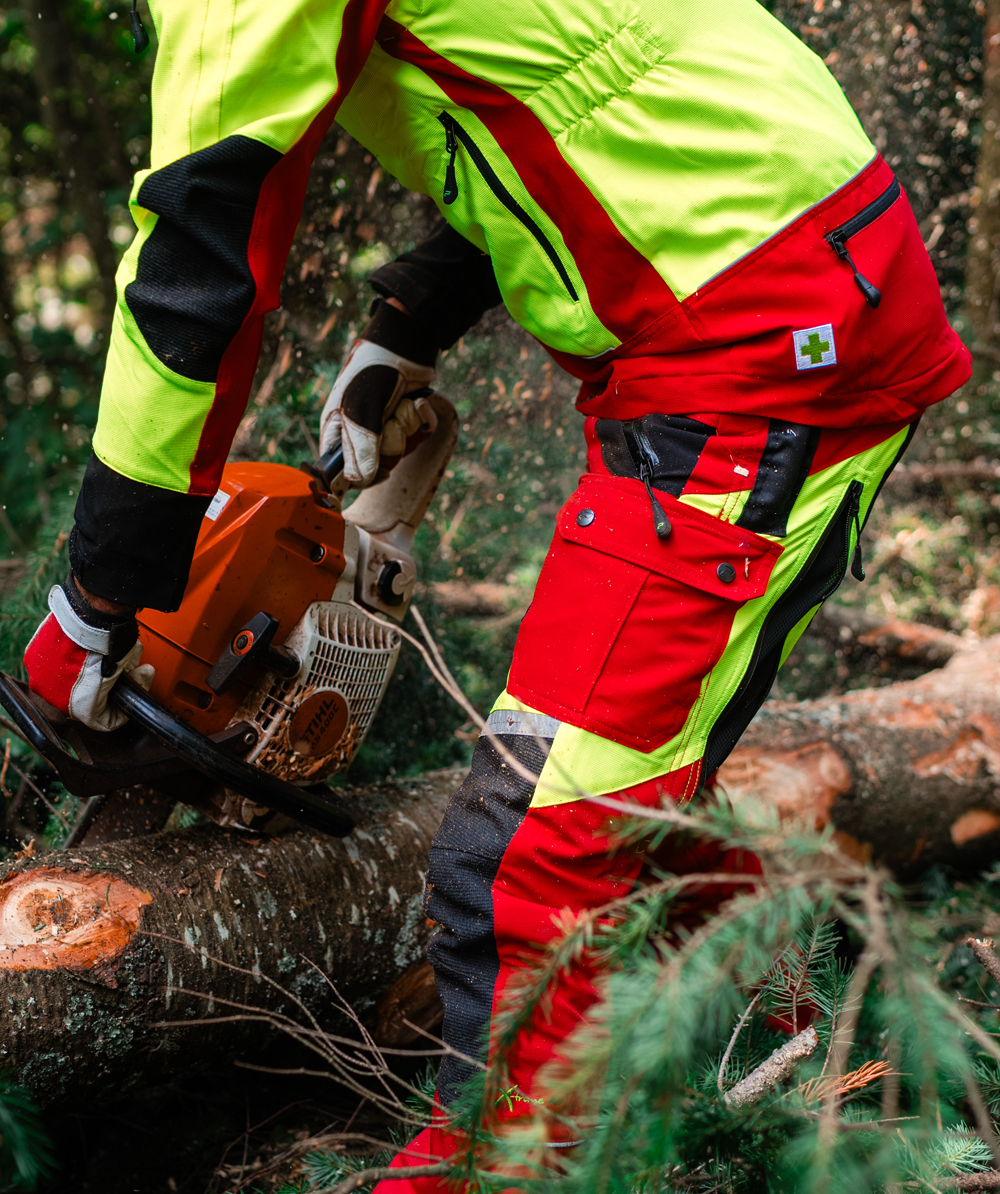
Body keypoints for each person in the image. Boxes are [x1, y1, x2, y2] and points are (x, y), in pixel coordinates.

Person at [22, 0, 971, 1187]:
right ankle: (784, 1057)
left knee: (526, 852)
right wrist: (409, 321)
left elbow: (199, 260)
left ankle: (502, 1165)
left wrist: (102, 594)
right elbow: (591, 91)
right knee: (635, 777)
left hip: (758, 349)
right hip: (795, 263)